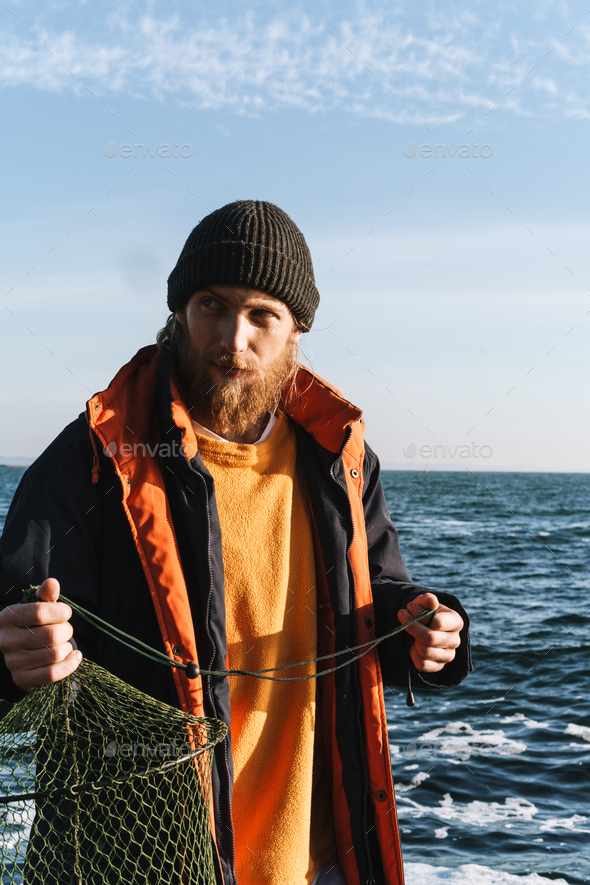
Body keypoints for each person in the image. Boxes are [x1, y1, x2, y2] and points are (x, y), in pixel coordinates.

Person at [0, 200, 471, 885]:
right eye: (211, 305)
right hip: (149, 861)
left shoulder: (338, 457)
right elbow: (16, 631)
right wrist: (14, 651)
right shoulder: (97, 457)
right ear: (178, 312)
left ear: (297, 330)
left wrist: (428, 631)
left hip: (324, 857)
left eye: (261, 316)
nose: (233, 337)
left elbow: (377, 596)